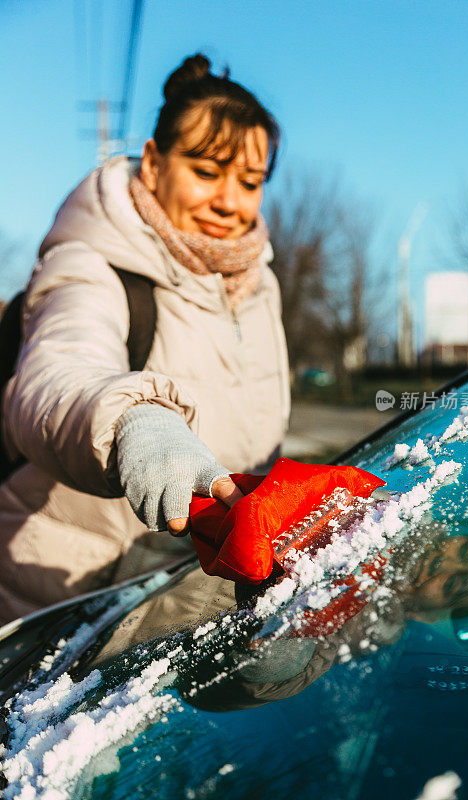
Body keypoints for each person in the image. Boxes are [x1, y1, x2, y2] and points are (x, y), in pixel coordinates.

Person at [0, 53, 290, 625]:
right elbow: (57, 375)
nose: (230, 202)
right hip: (57, 613)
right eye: (206, 172)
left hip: (180, 602)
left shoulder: (261, 286)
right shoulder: (92, 264)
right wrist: (135, 421)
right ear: (154, 163)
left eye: (250, 181)